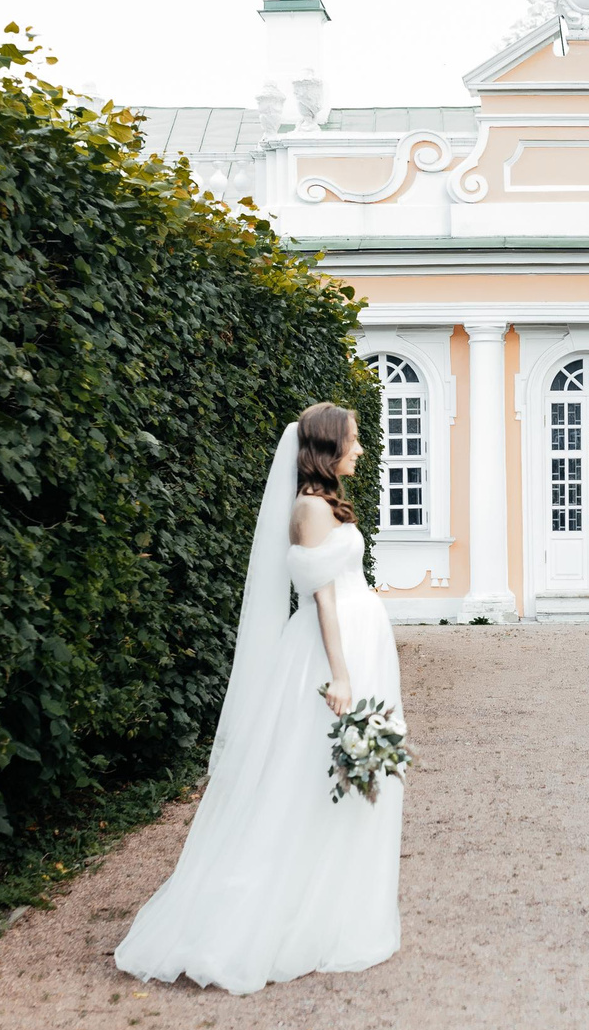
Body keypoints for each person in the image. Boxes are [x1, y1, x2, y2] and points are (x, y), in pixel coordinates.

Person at [113, 403, 404, 993]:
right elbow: (322, 598)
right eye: (353, 440)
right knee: (306, 775)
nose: (360, 448)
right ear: (327, 447)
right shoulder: (309, 508)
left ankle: (334, 900)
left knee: (353, 772)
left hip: (359, 639)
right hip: (333, 649)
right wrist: (341, 674)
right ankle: (276, 914)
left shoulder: (327, 504)